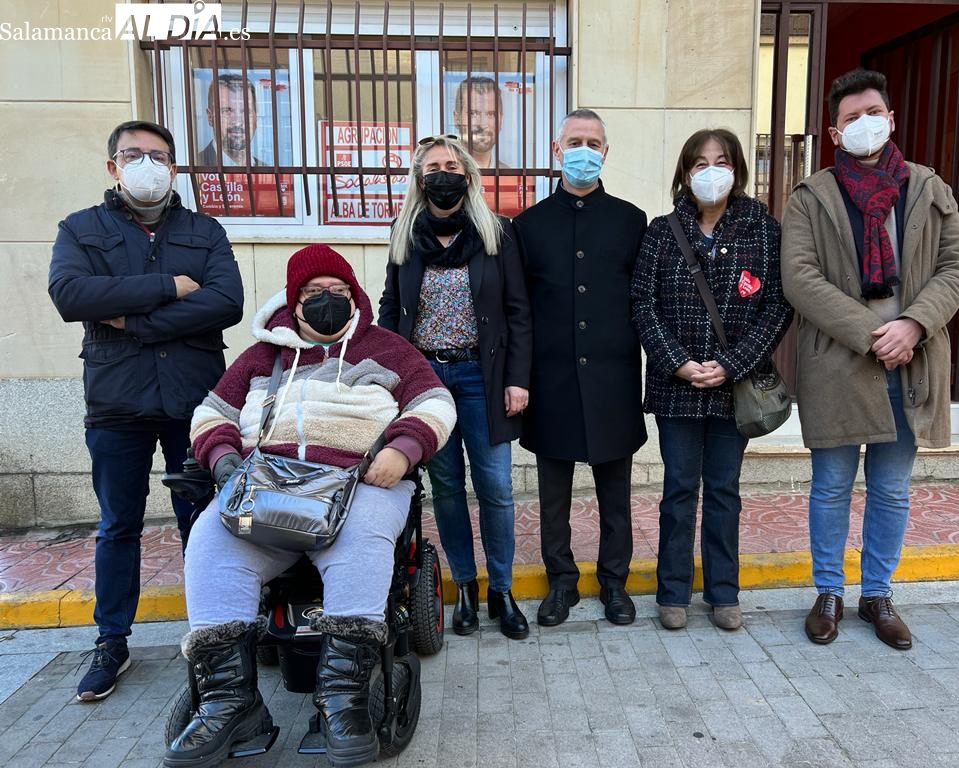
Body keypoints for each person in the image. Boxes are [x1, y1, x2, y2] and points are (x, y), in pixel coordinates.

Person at [167, 244, 456, 768]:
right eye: (316, 292)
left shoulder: (386, 348)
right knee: (211, 539)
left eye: (339, 290)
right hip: (269, 482)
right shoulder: (262, 356)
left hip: (360, 479)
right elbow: (211, 413)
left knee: (363, 535)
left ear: (355, 296)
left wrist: (402, 448)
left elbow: (435, 401)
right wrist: (224, 460)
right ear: (294, 302)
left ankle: (343, 700)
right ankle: (230, 702)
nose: (329, 300)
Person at [47, 120, 244, 703]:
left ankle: (215, 634)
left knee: (204, 521)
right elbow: (71, 295)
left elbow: (227, 301)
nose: (146, 165)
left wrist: (131, 319)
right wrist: (169, 285)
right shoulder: (81, 228)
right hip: (117, 402)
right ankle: (112, 642)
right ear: (113, 166)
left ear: (174, 167)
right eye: (133, 155)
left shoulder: (204, 230)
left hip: (194, 400)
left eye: (157, 156)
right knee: (118, 525)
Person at [781, 69, 959, 650]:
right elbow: (800, 278)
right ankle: (828, 593)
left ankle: (878, 595)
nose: (864, 124)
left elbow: (957, 266)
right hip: (840, 363)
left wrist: (913, 324)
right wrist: (874, 334)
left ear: (890, 119)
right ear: (834, 133)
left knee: (891, 488)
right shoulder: (811, 196)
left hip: (911, 362)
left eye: (872, 113)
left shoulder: (928, 188)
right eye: (851, 118)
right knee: (831, 486)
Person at [632, 129, 792, 632]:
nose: (710, 172)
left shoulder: (763, 231)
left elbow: (777, 306)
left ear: (737, 169)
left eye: (721, 162)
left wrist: (733, 363)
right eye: (699, 164)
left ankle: (724, 592)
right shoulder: (661, 232)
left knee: (724, 489)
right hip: (676, 387)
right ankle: (672, 592)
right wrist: (676, 361)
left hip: (734, 390)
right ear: (685, 173)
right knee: (679, 489)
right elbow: (643, 303)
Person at [379, 135, 532, 640]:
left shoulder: (497, 232)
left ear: (467, 173)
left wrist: (518, 379)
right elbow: (390, 307)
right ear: (420, 179)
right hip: (425, 383)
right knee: (446, 489)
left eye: (451, 164)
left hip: (481, 378)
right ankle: (465, 586)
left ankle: (501, 590)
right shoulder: (404, 233)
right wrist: (387, 374)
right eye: (432, 167)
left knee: (496, 489)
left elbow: (518, 311)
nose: (442, 174)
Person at [514, 109, 647, 627]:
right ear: (556, 149)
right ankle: (561, 582)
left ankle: (615, 583)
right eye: (575, 142)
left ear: (606, 153)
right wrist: (519, 378)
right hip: (552, 381)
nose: (584, 151)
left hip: (614, 380)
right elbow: (520, 310)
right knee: (554, 497)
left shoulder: (631, 221)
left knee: (616, 495)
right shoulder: (528, 226)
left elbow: (643, 301)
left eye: (593, 143)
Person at [453, 75, 533, 217]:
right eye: (473, 113)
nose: (482, 124)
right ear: (457, 118)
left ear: (500, 120)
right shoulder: (446, 176)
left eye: (491, 114)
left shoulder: (512, 179)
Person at [199, 74, 265, 167]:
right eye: (227, 111)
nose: (237, 122)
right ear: (210, 117)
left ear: (256, 117)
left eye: (246, 111)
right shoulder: (196, 164)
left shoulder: (267, 171)